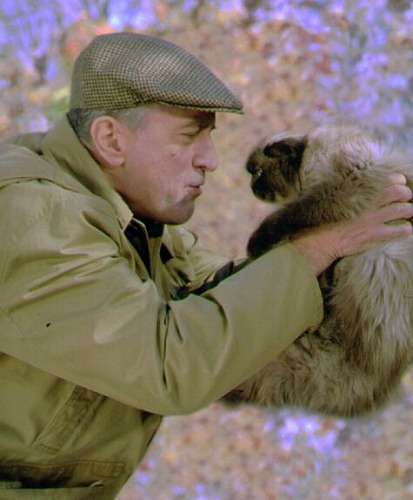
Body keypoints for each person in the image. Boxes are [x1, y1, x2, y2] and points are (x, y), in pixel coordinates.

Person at [0, 32, 411, 499]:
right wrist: (321, 244)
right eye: (189, 136)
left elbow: (217, 294)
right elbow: (171, 366)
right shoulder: (39, 220)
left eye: (209, 137)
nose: (210, 161)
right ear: (111, 140)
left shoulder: (128, 214)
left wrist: (365, 267)